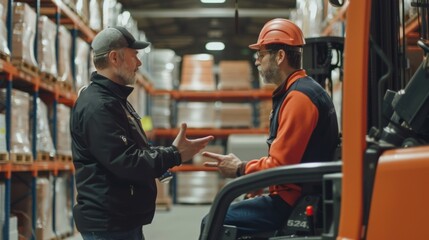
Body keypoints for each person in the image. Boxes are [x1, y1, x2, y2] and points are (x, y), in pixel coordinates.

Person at [70, 26, 214, 240]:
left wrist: (170, 152)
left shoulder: (115, 102)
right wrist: (174, 154)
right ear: (114, 58)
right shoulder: (99, 106)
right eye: (134, 56)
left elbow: (133, 150)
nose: (139, 63)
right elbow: (126, 162)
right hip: (109, 224)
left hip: (121, 220)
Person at [199, 18, 339, 238]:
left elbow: (281, 164)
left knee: (213, 220)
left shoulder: (299, 98)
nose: (257, 62)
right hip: (294, 190)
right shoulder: (298, 91)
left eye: (261, 55)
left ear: (280, 56)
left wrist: (240, 168)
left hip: (291, 199)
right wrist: (261, 183)